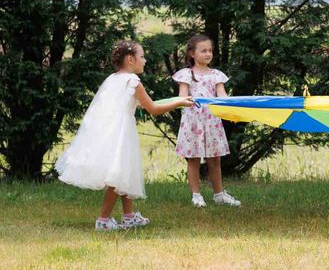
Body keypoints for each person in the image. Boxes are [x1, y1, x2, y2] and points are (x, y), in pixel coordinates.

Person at [56, 41, 193, 231]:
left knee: (123, 171)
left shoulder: (112, 78)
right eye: (142, 56)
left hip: (109, 129)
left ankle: (128, 216)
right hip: (121, 132)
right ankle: (103, 220)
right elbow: (153, 108)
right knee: (117, 175)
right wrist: (179, 102)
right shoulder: (133, 81)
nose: (145, 61)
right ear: (130, 59)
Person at [173, 34, 240, 208]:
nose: (208, 54)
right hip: (193, 123)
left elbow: (223, 97)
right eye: (203, 51)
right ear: (192, 53)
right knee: (193, 159)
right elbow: (182, 97)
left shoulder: (217, 75)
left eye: (210, 50)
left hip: (212, 124)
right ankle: (196, 195)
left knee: (215, 159)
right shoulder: (186, 75)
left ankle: (219, 194)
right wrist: (188, 101)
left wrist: (230, 112)